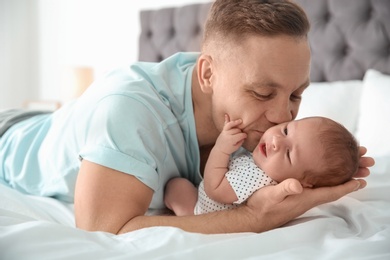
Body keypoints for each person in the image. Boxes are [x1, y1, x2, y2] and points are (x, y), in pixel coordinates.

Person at [0, 0, 373, 235]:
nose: (280, 117)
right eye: (262, 93)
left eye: (296, 95)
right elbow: (101, 228)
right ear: (207, 74)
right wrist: (252, 220)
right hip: (11, 136)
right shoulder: (132, 111)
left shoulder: (262, 137)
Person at [164, 115, 360, 216]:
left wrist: (221, 148)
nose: (276, 141)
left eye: (289, 153)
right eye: (285, 130)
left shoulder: (258, 177)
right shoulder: (266, 167)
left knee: (177, 186)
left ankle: (183, 217)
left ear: (303, 182)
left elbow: (215, 189)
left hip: (201, 211)